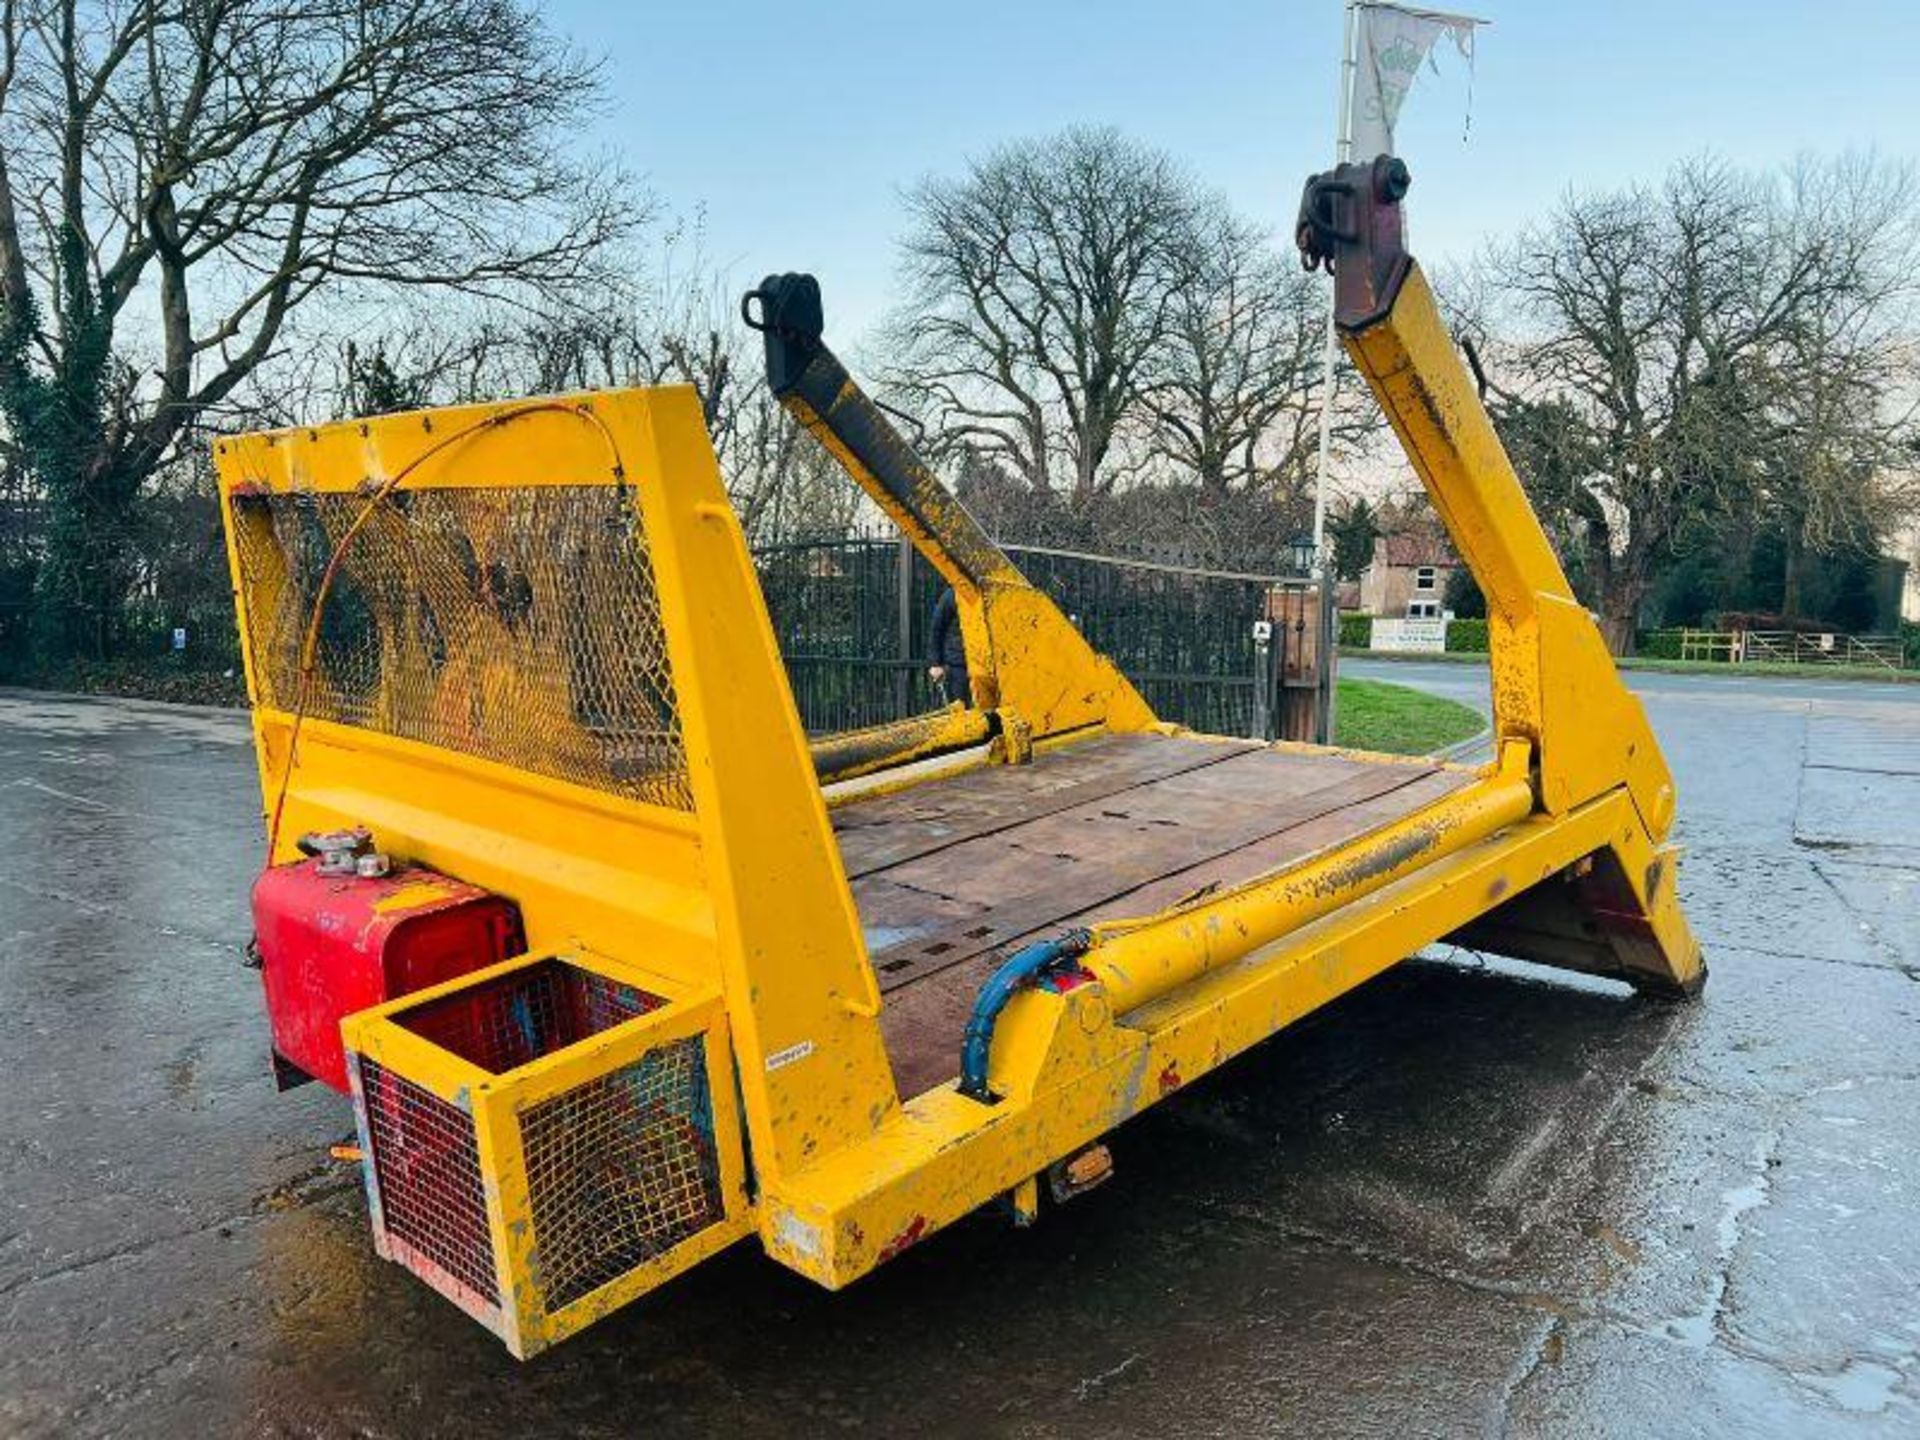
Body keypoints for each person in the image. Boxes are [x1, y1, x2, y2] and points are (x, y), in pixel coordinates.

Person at [927, 586, 970, 707]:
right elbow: (937, 629)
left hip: (985, 664)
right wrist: (935, 663)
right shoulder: (951, 595)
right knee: (959, 707)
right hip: (958, 664)